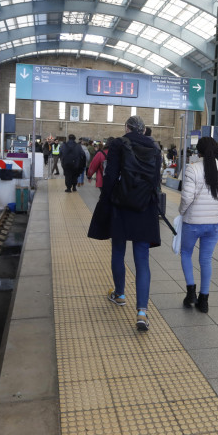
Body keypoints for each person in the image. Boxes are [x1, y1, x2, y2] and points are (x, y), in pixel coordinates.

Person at [87, 115, 162, 332]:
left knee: (118, 250)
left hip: (121, 205)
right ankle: (141, 312)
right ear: (143, 129)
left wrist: (105, 203)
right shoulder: (155, 148)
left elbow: (111, 177)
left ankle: (120, 294)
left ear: (127, 128)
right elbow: (156, 181)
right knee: (142, 259)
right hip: (145, 207)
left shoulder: (120, 144)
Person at [178, 137, 218, 313]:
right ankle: (204, 300)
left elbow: (187, 197)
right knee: (206, 260)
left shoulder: (192, 169)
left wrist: (181, 212)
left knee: (186, 253)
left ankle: (191, 293)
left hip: (193, 222)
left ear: (198, 151)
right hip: (214, 224)